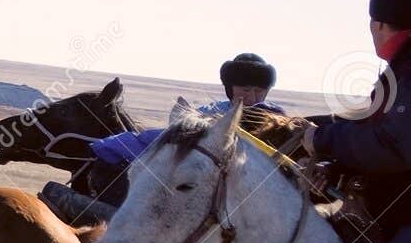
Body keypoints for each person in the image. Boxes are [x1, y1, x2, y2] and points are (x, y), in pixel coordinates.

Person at [304, 0, 411, 243]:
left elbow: (393, 147)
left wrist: (322, 140)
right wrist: (334, 167)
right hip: (395, 210)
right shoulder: (399, 71)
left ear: (377, 24)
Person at [87, 53, 281, 168]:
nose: (253, 98)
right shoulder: (213, 111)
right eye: (246, 90)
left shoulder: (277, 119)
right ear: (230, 88)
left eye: (259, 91)